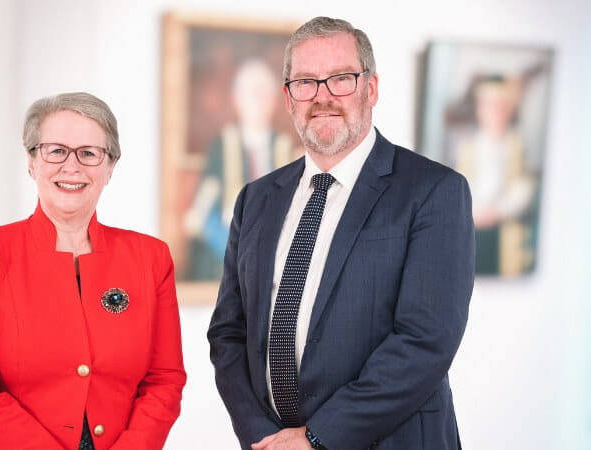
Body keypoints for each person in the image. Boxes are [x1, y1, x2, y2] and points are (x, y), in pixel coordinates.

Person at [208, 17, 474, 450]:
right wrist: (264, 436)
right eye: (306, 83)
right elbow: (227, 334)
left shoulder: (433, 192)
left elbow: (425, 341)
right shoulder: (255, 199)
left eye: (341, 79)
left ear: (371, 89)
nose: (322, 97)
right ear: (288, 98)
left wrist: (316, 438)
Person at [0, 92, 186, 450]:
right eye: (56, 151)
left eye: (89, 153)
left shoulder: (150, 257)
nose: (72, 166)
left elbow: (164, 381)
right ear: (31, 161)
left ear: (110, 168)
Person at [183, 59, 295, 280]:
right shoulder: (222, 147)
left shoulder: (285, 149)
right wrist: (236, 252)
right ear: (237, 100)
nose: (258, 102)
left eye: (264, 94)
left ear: (274, 101)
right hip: (228, 254)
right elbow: (204, 213)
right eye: (251, 94)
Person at [451, 74, 537, 276]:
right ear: (480, 109)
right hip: (472, 226)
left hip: (504, 230)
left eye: (500, 106)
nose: (495, 112)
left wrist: (498, 211)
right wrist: (474, 212)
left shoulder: (519, 146)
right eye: (489, 106)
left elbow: (525, 187)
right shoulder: (468, 146)